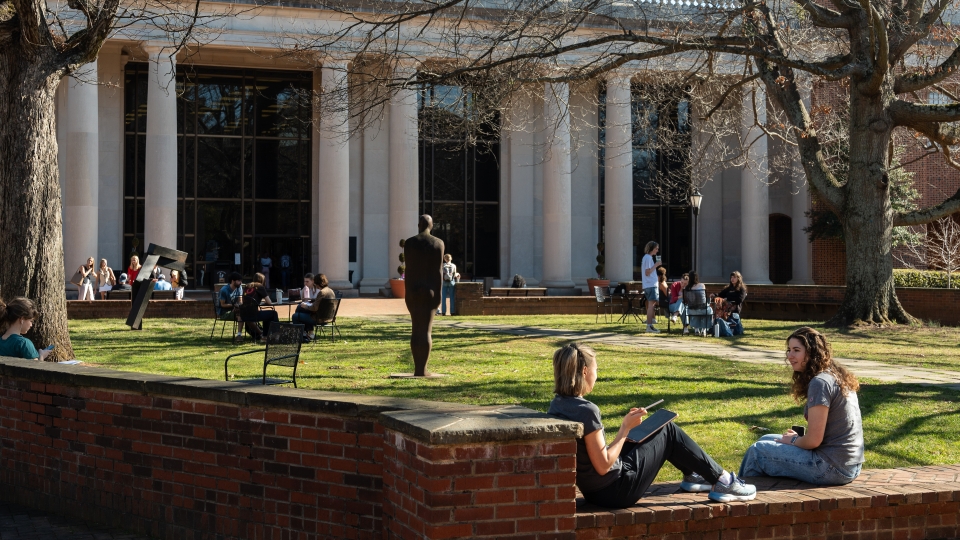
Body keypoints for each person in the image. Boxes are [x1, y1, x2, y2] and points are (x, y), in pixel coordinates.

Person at [547, 343, 756, 508]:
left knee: (650, 431)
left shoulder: (557, 404)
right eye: (596, 369)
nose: (596, 375)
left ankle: (694, 474)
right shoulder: (587, 410)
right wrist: (625, 429)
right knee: (668, 430)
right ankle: (724, 482)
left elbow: (592, 457)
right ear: (584, 371)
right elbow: (603, 466)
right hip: (616, 491)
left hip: (592, 491)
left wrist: (628, 435)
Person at [739, 327, 864, 485]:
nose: (790, 356)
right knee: (766, 439)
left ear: (812, 353)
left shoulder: (821, 382)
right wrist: (796, 440)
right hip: (850, 464)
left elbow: (813, 441)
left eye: (796, 350)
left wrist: (793, 441)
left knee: (758, 451)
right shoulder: (834, 375)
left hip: (832, 467)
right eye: (789, 350)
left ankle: (741, 493)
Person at [292, 273, 335, 341]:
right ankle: (307, 333)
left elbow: (314, 308)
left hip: (319, 318)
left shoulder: (322, 292)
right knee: (300, 309)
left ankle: (301, 335)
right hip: (328, 317)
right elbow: (320, 302)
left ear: (317, 283)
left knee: (295, 315)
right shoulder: (330, 291)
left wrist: (306, 306)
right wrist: (313, 301)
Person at [239, 272, 279, 341]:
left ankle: (264, 336)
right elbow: (269, 302)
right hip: (253, 315)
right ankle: (276, 334)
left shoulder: (247, 286)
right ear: (262, 281)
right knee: (273, 313)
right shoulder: (260, 287)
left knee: (266, 315)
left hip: (243, 315)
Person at [640, 241, 661, 333]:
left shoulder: (646, 258)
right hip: (651, 285)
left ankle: (650, 324)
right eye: (656, 248)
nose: (657, 250)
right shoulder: (648, 258)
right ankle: (649, 326)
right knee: (651, 306)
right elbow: (647, 272)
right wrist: (656, 265)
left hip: (648, 285)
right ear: (652, 249)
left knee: (650, 305)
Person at [681, 271, 710, 336]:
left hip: (691, 310)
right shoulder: (702, 286)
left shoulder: (686, 288)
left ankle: (696, 329)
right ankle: (704, 329)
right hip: (703, 309)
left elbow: (686, 300)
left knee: (696, 310)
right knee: (709, 310)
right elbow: (704, 298)